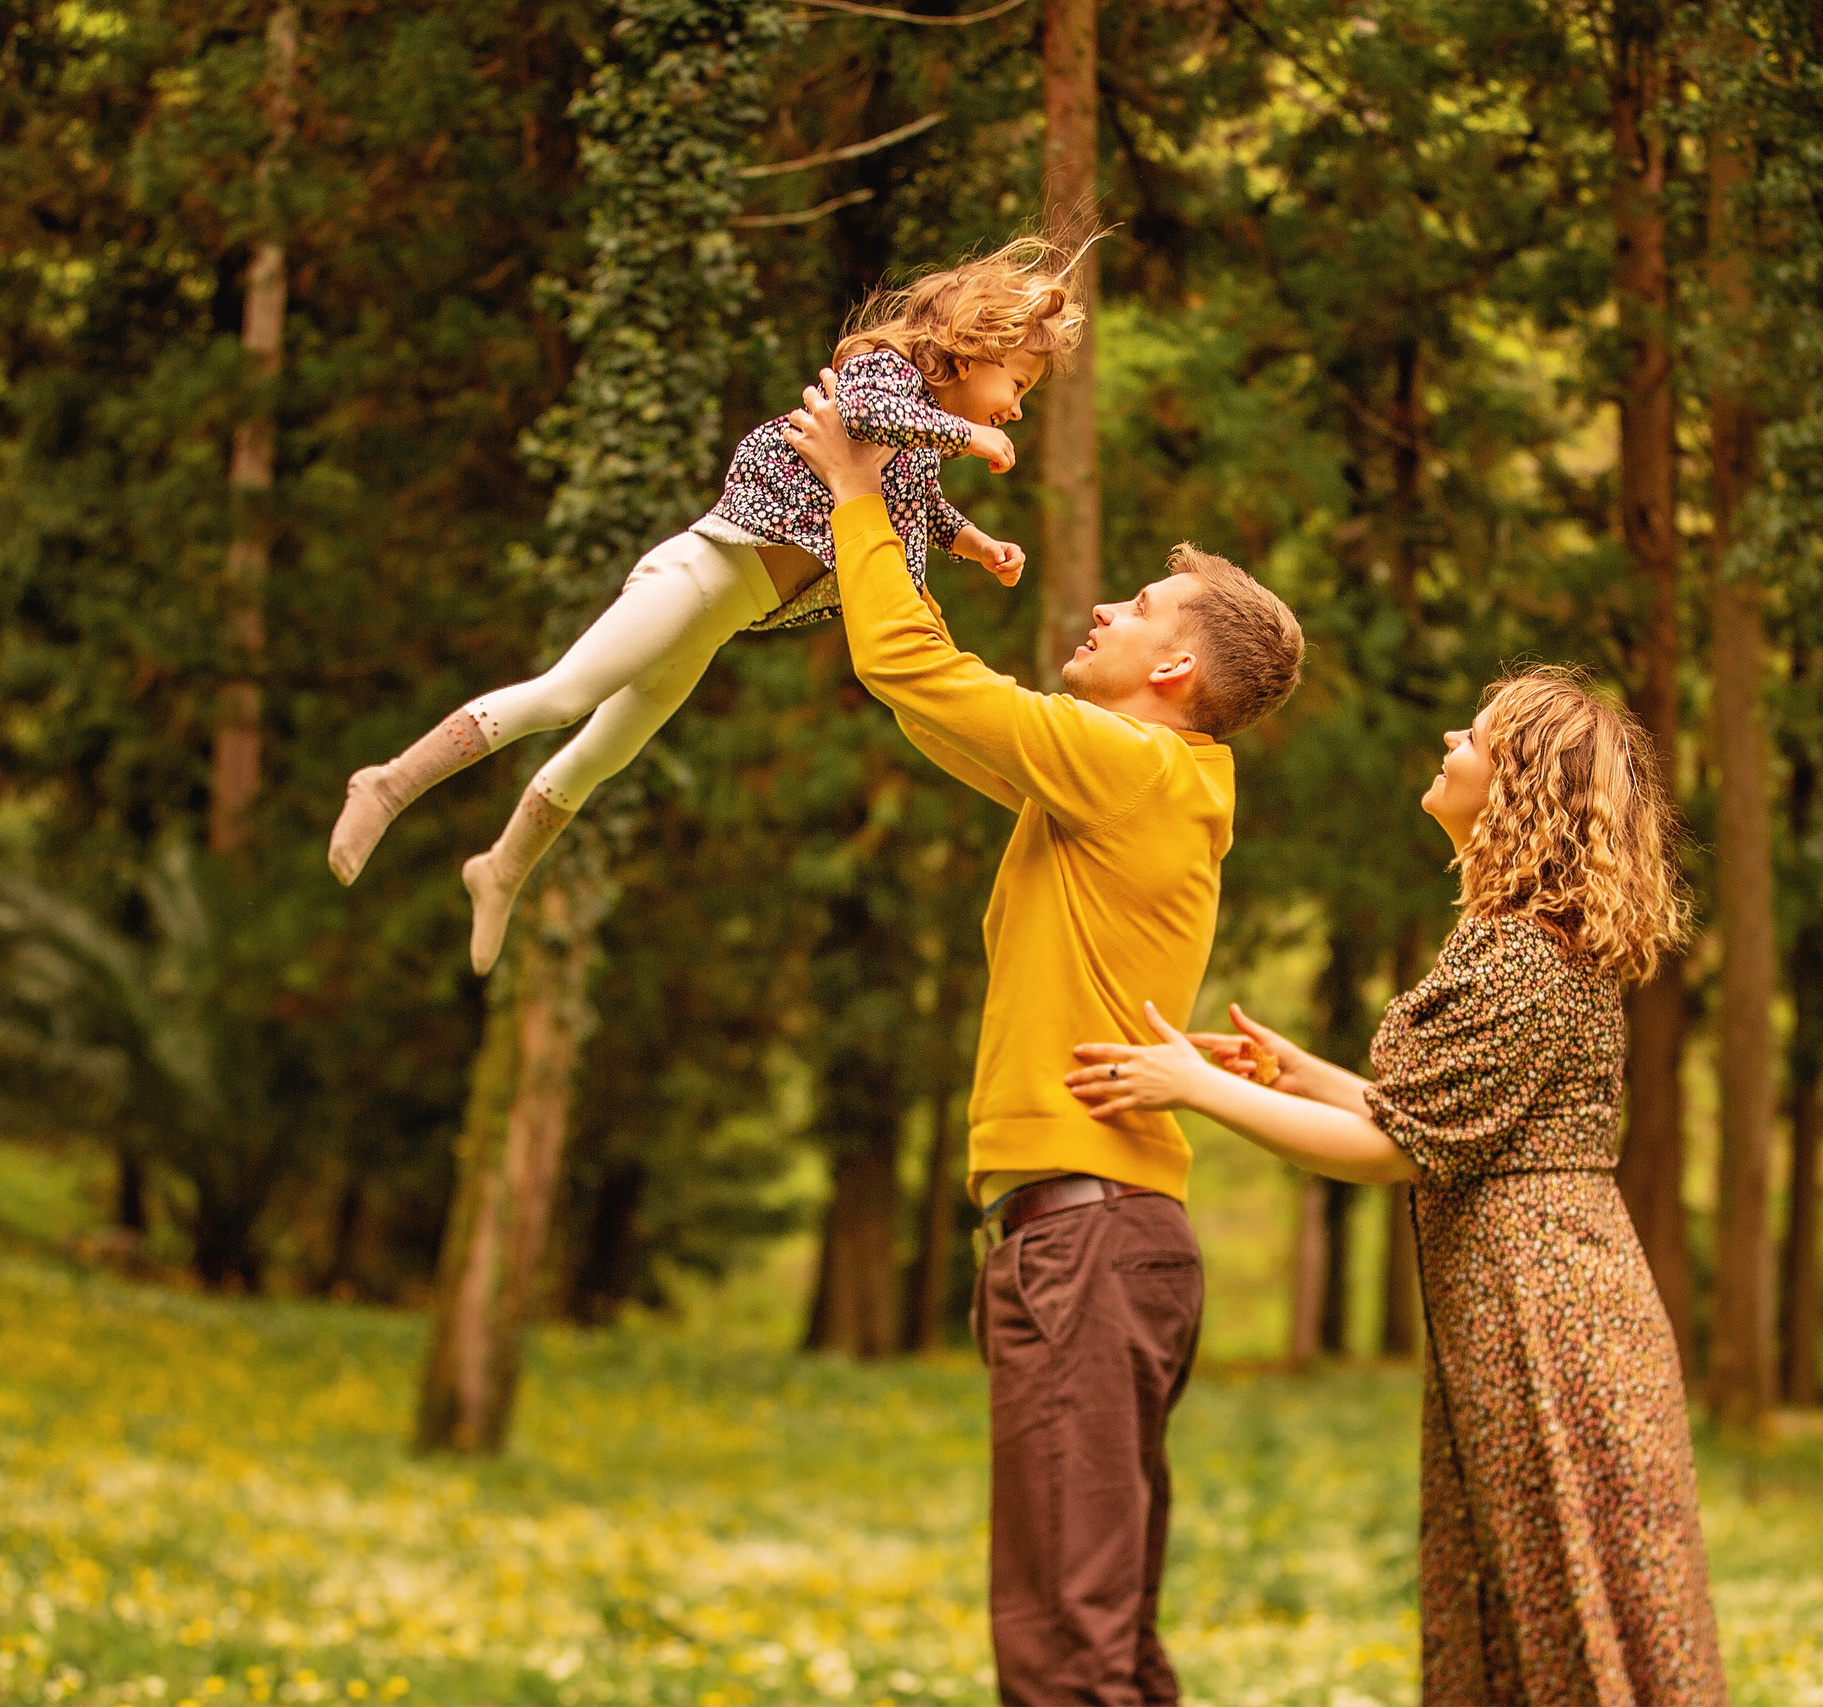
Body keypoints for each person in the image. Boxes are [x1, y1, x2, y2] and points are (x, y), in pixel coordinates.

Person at [780, 370, 1306, 1705]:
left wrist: (854, 494)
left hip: (1088, 1232)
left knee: (1069, 1643)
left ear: (1174, 668)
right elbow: (925, 702)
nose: (1103, 610)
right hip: (1075, 1230)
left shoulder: (1131, 766)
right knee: (1093, 1628)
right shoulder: (1114, 781)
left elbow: (908, 661)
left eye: (1133, 608)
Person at [1066, 667, 1728, 1706]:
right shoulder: (1524, 947)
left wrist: (1192, 1087)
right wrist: (1297, 1075)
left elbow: (1399, 1152)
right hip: (1533, 1301)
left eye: (1480, 734)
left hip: (1548, 1319)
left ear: (1518, 785)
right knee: (1534, 1589)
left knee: (1570, 1590)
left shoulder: (1516, 958)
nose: (1453, 735)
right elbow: (1440, 1122)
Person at [325, 237, 1084, 974]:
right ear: (975, 344)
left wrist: (978, 544)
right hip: (699, 572)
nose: (1015, 410)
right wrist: (966, 434)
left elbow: (918, 502)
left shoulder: (918, 444)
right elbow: (863, 420)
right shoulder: (882, 378)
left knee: (604, 752)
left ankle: (500, 867)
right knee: (564, 695)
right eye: (1017, 385)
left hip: (723, 614)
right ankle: (388, 782)